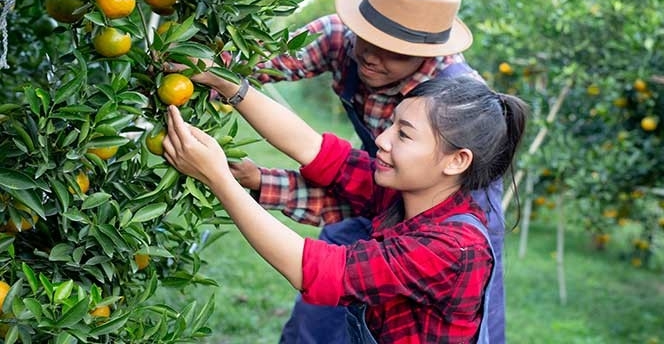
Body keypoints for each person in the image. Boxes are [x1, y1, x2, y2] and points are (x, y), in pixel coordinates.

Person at [228, 0, 511, 343]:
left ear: (425, 55)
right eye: (367, 39)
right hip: (385, 177)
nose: (372, 57)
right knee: (316, 325)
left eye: (393, 52)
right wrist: (216, 75)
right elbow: (335, 163)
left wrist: (219, 179)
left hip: (442, 213)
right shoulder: (340, 41)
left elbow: (318, 269)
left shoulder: (456, 104)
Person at [161, 74, 527, 343]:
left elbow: (314, 269)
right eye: (391, 124)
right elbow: (315, 150)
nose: (381, 140)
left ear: (456, 160)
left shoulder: (450, 247)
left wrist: (217, 178)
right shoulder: (411, 192)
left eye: (403, 134)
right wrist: (226, 83)